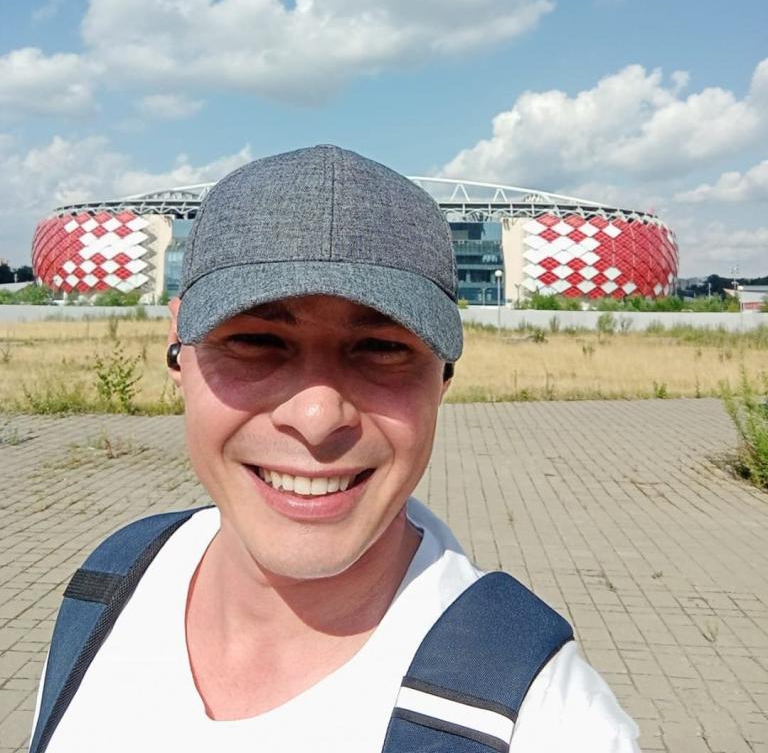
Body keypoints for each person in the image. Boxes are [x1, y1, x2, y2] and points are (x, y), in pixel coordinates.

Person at [30, 145, 641, 752]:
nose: (317, 417)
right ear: (176, 349)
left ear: (444, 377)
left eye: (383, 348)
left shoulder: (545, 718)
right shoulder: (113, 583)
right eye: (256, 340)